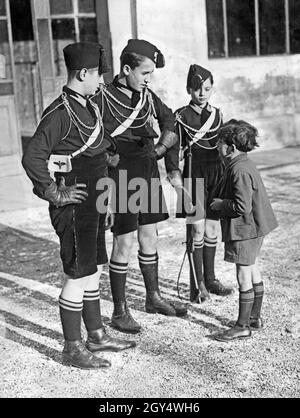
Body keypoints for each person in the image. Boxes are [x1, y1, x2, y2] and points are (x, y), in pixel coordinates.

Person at [22, 42, 136, 369]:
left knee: (93, 267)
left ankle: (97, 335)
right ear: (83, 73)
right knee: (76, 273)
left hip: (93, 200)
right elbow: (33, 157)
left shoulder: (88, 106)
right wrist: (52, 193)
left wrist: (106, 199)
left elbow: (95, 154)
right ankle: (72, 347)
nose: (102, 81)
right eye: (98, 74)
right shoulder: (60, 112)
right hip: (73, 204)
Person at [93, 39, 187, 334]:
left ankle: (153, 297)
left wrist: (164, 155)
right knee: (125, 241)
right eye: (145, 73)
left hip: (146, 168)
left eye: (151, 74)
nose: (149, 80)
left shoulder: (147, 96)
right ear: (125, 69)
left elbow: (170, 120)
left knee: (150, 236)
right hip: (120, 174)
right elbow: (91, 140)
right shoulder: (102, 99)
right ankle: (120, 312)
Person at [210, 119, 278, 341]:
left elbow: (241, 206)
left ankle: (242, 325)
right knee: (253, 268)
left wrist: (221, 204)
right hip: (255, 228)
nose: (217, 146)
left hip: (245, 229)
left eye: (219, 142)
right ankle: (254, 317)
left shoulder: (238, 170)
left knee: (243, 274)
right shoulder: (244, 163)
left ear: (230, 147)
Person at [173, 64, 233, 303]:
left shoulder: (218, 115)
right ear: (189, 89)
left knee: (211, 229)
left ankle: (211, 279)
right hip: (193, 176)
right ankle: (197, 285)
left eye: (207, 88)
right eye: (197, 89)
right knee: (196, 229)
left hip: (216, 175)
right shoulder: (181, 116)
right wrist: (175, 177)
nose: (202, 93)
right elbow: (174, 150)